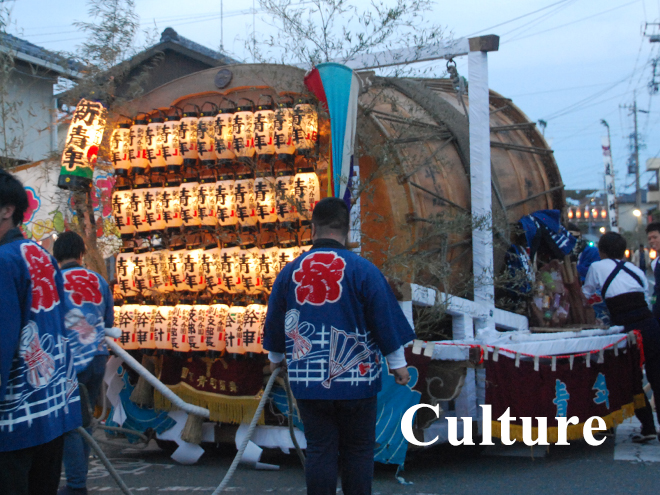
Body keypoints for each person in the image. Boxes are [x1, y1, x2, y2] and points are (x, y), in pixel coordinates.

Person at [263, 197, 415, 495]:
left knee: (319, 449)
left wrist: (275, 357)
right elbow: (383, 318)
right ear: (347, 231)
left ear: (313, 228)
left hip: (308, 379)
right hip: (357, 379)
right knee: (358, 450)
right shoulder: (364, 270)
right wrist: (398, 364)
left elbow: (275, 321)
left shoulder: (290, 272)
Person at [0, 170, 82, 494]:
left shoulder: (4, 260)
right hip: (52, 411)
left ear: (7, 209)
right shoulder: (42, 254)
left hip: (14, 421)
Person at [582, 232, 660, 442]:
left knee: (633, 379)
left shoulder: (596, 267)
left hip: (628, 329)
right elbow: (644, 297)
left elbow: (585, 294)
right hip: (651, 325)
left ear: (602, 251)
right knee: (657, 376)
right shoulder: (636, 270)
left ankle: (648, 427)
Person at [54, 231, 114, 495]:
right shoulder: (99, 280)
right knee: (86, 420)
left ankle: (77, 484)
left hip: (69, 361)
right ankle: (80, 478)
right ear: (82, 253)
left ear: (56, 256)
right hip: (98, 356)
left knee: (71, 423)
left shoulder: (54, 281)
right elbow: (109, 320)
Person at [647, 222, 660, 319]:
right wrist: (653, 304)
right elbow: (656, 290)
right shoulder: (654, 263)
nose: (652, 241)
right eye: (649, 239)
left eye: (655, 237)